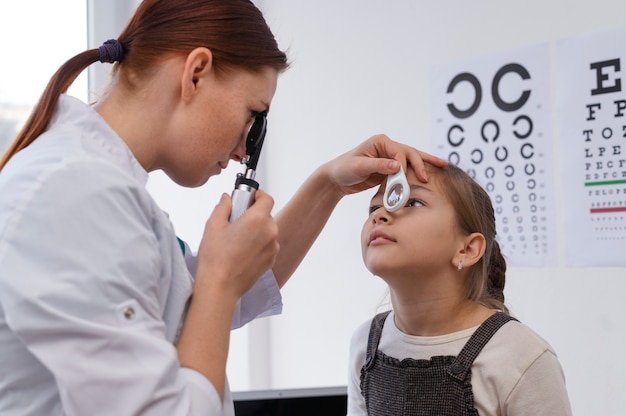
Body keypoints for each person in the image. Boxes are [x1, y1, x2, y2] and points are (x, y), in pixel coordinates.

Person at [0, 1, 446, 415]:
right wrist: (218, 279)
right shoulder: (74, 193)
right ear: (196, 73)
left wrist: (328, 185)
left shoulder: (105, 192)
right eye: (254, 115)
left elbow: (210, 309)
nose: (245, 149)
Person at [347, 162, 572, 415]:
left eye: (413, 203)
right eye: (375, 206)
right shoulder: (365, 344)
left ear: (468, 249)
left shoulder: (522, 355)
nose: (380, 214)